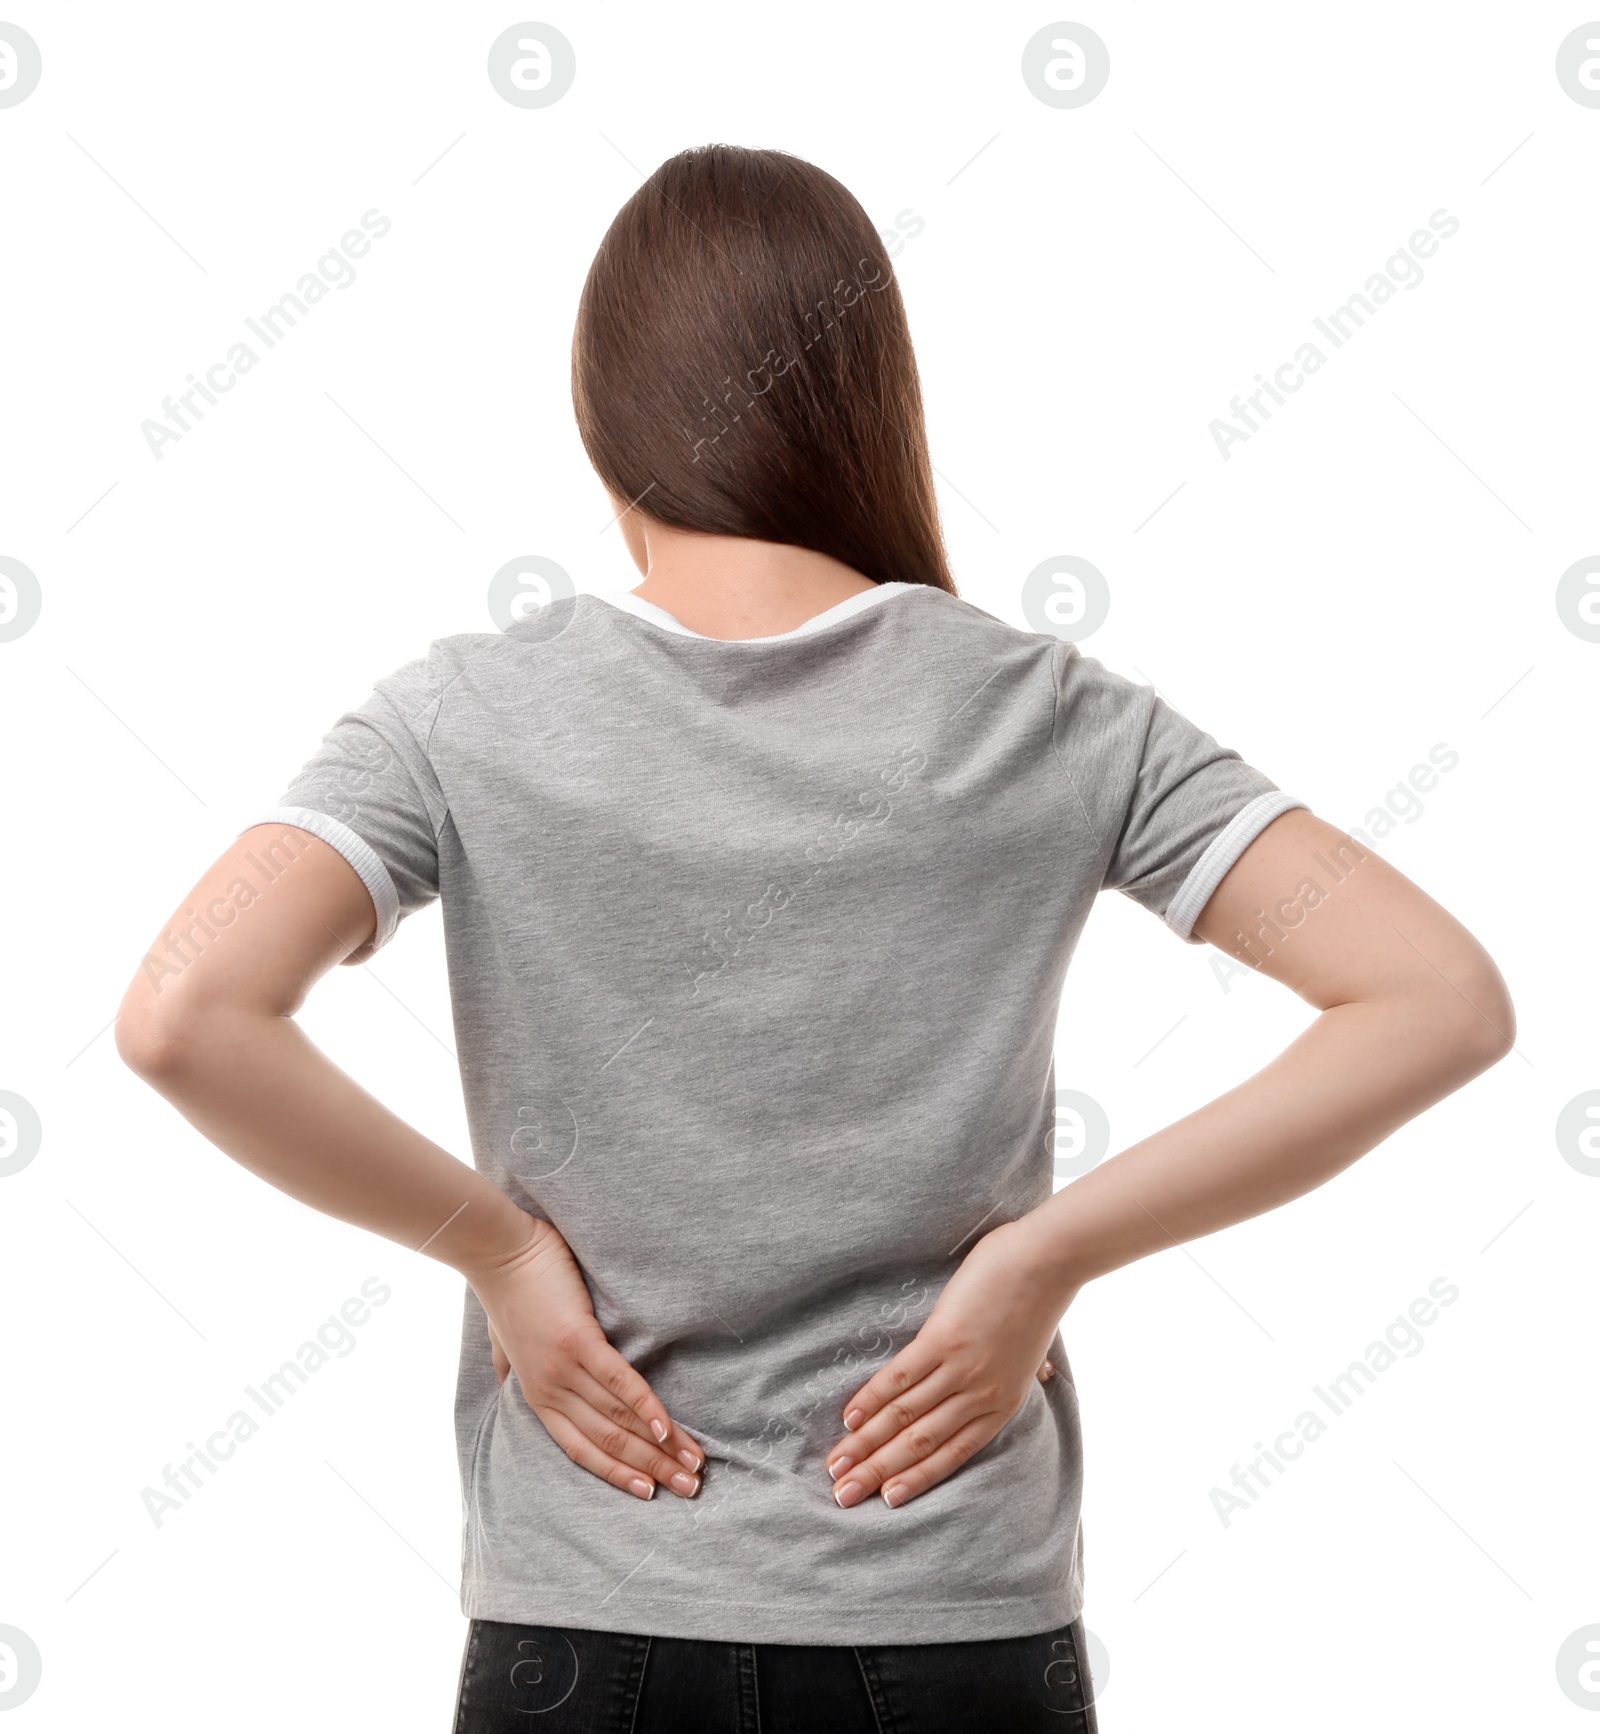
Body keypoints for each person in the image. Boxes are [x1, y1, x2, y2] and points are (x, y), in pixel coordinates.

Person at [116, 144, 1515, 1733]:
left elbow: (186, 1013)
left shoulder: (465, 715)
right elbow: (1434, 996)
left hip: (587, 1613)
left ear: (604, 418)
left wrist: (499, 1251)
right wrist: (1042, 1259)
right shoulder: (1046, 713)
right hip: (950, 1615)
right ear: (868, 396)